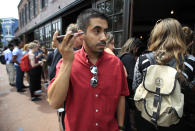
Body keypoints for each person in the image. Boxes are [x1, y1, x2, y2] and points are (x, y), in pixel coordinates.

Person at [47, 8, 129, 131]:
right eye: (97, 31)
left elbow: (121, 96)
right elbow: (54, 102)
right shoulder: (66, 62)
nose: (104, 37)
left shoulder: (116, 63)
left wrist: (121, 127)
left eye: (105, 31)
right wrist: (68, 61)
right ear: (81, 34)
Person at [132, 18, 194, 131]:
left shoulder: (143, 59)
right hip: (175, 120)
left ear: (156, 35)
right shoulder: (189, 61)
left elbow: (136, 87)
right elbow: (189, 94)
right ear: (180, 36)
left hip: (146, 118)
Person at [119, 38, 146, 131]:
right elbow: (132, 78)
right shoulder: (130, 58)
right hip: (126, 96)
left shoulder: (121, 56)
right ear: (135, 48)